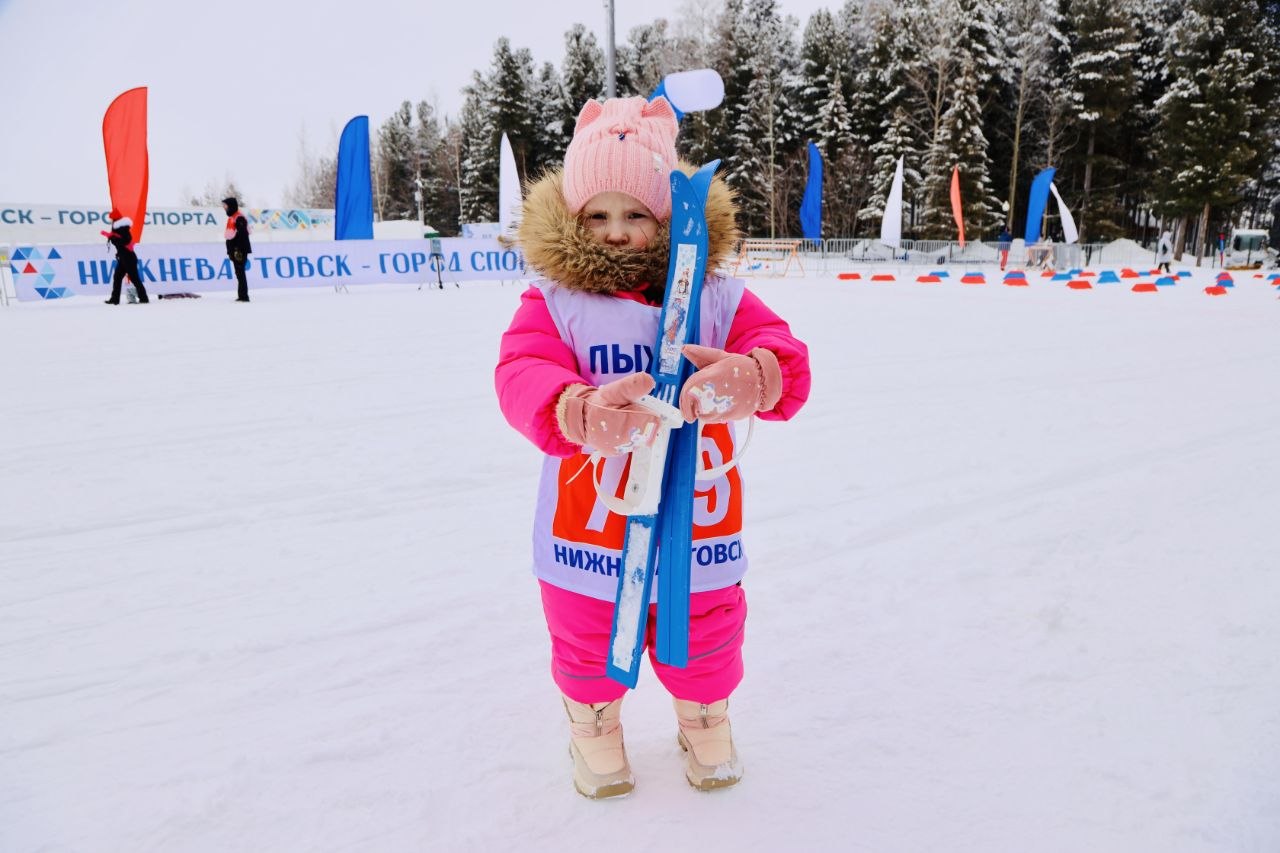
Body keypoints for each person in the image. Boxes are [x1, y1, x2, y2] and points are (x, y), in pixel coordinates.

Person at [494, 96, 811, 799]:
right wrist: (573, 410)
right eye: (598, 215)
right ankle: (594, 722)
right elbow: (520, 373)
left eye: (636, 214)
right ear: (572, 219)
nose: (616, 232)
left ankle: (704, 714)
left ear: (668, 218)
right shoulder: (554, 301)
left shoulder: (719, 297)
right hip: (589, 527)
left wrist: (756, 375)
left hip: (698, 520)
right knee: (585, 635)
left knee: (707, 630)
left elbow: (787, 358)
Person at [100, 215, 148, 304]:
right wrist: (112, 237)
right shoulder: (119, 230)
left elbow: (125, 241)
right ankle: (115, 299)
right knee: (117, 277)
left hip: (129, 258)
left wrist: (114, 238)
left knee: (134, 279)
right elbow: (120, 244)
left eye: (112, 220)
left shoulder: (124, 230)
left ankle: (144, 298)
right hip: (123, 258)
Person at [222, 196, 252, 302]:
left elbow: (242, 235)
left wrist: (237, 250)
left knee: (240, 272)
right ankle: (242, 295)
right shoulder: (232, 217)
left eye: (225, 205)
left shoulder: (239, 217)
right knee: (239, 273)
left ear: (231, 206)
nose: (224, 207)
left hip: (239, 250)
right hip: (235, 250)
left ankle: (244, 296)